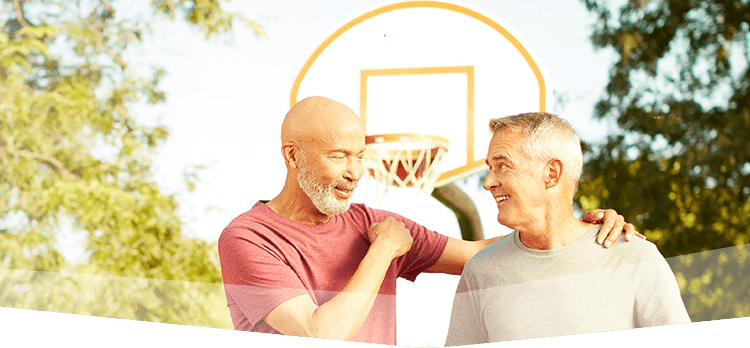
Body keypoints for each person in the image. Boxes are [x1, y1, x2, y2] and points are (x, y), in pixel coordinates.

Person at [218, 97, 642, 345]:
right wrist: (383, 250)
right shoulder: (249, 238)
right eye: (338, 156)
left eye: (360, 156)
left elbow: (480, 253)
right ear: (293, 156)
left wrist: (577, 230)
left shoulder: (375, 221)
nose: (355, 172)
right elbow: (321, 331)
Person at [444, 112, 691, 345]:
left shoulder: (635, 257)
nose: (488, 182)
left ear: (551, 173)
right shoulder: (480, 272)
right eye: (490, 168)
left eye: (503, 166)